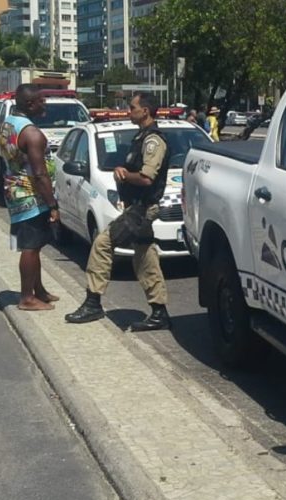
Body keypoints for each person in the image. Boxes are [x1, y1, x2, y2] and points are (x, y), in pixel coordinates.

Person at [65, 92, 172, 331]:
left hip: (142, 209)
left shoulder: (153, 140)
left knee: (103, 244)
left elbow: (146, 178)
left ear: (145, 111)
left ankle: (93, 302)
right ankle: (159, 311)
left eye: (132, 107)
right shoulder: (141, 137)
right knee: (145, 257)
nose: (128, 111)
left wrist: (124, 174)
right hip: (137, 207)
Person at [0, 83, 61, 311]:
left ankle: (39, 290)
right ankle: (27, 298)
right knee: (31, 247)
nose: (44, 104)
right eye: (41, 100)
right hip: (31, 196)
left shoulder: (10, 123)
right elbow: (40, 173)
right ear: (29, 103)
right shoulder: (32, 134)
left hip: (14, 190)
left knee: (35, 245)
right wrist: (53, 205)